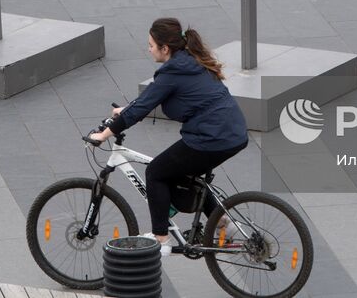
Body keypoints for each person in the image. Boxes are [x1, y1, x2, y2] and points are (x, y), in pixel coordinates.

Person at [89, 18, 247, 251]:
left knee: (156, 172)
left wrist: (104, 134)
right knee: (184, 172)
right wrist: (125, 110)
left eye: (151, 45)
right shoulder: (189, 61)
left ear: (165, 48)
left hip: (212, 137)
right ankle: (224, 223)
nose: (149, 49)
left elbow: (144, 106)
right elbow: (149, 99)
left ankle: (160, 238)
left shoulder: (173, 72)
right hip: (232, 132)